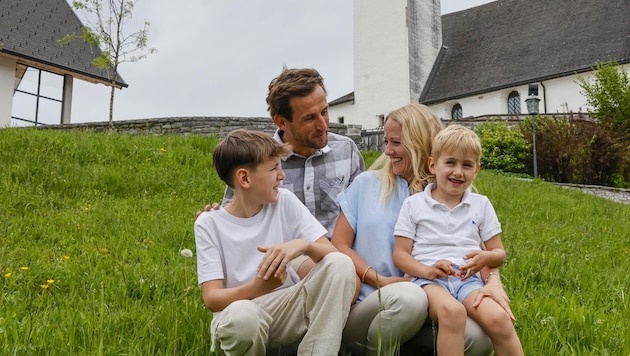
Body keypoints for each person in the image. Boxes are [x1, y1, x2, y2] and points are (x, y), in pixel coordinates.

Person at [331, 104, 508, 356]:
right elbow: (339, 244)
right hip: (371, 308)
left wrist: (493, 281)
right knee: (408, 298)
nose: (387, 151)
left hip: (433, 307)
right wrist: (378, 280)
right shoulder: (366, 184)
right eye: (386, 141)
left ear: (419, 144)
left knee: (479, 339)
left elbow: (478, 251)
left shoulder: (449, 194)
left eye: (396, 142)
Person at [194, 129, 356, 355]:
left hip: (286, 309)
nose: (282, 175)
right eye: (273, 169)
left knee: (340, 263)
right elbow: (212, 299)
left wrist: (304, 245)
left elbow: (331, 255)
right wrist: (259, 287)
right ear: (244, 178)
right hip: (239, 318)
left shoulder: (285, 202)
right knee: (243, 316)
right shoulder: (209, 224)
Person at [392, 124, 523, 355]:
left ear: (477, 170)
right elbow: (400, 255)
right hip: (429, 282)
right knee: (453, 313)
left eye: (467, 165)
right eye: (450, 162)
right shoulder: (414, 205)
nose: (458, 172)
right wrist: (428, 270)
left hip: (469, 281)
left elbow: (499, 253)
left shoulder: (481, 204)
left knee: (499, 318)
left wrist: (486, 256)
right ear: (433, 165)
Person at [222, 67, 365, 241]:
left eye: (324, 112)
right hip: (280, 262)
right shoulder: (254, 159)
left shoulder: (346, 151)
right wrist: (215, 219)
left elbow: (363, 215)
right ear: (282, 121)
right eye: (309, 118)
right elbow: (233, 223)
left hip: (338, 261)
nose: (323, 125)